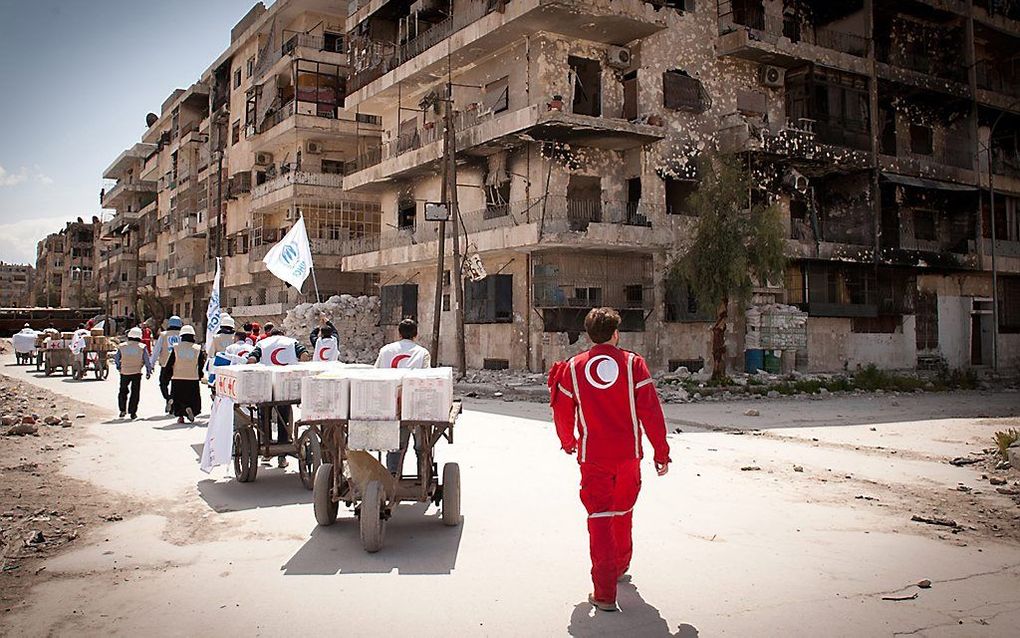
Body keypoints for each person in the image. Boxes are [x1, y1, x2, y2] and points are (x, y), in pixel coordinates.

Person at [549, 307, 671, 613]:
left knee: (600, 518)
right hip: (629, 455)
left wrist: (568, 442)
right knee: (623, 511)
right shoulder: (634, 364)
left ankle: (604, 592)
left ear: (589, 336)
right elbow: (651, 412)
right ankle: (618, 567)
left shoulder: (573, 368)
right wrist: (661, 452)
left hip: (593, 457)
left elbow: (561, 412)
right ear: (616, 334)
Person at [247, 327, 311, 468]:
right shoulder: (291, 342)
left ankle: (266, 447)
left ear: (270, 335)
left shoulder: (262, 343)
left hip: (266, 386)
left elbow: (251, 359)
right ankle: (282, 454)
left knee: (264, 417)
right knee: (284, 417)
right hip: (285, 386)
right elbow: (304, 355)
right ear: (283, 334)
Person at [376, 318, 431, 474]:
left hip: (390, 404)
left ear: (398, 333)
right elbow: (427, 379)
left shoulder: (386, 350)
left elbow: (376, 374)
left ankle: (392, 476)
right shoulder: (423, 353)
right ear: (416, 334)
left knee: (396, 445)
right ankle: (423, 476)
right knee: (422, 445)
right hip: (415, 405)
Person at [165, 325, 206, 424]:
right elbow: (201, 365)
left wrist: (167, 376)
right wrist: (200, 376)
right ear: (193, 336)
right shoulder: (197, 348)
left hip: (177, 377)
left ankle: (181, 416)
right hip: (192, 378)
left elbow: (170, 363)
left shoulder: (176, 347)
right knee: (192, 397)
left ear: (181, 336)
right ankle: (191, 409)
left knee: (178, 397)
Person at [114, 327, 153, 420]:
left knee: (123, 391)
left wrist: (119, 366)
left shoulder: (122, 346)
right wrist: (148, 371)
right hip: (137, 372)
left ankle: (122, 410)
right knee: (135, 392)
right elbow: (147, 360)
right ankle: (133, 412)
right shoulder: (142, 347)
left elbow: (116, 358)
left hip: (124, 372)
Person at [151, 316, 183, 413]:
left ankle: (168, 398)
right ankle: (173, 405)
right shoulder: (182, 335)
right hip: (179, 365)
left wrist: (151, 364)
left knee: (163, 384)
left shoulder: (164, 335)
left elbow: (156, 350)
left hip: (165, 364)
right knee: (176, 385)